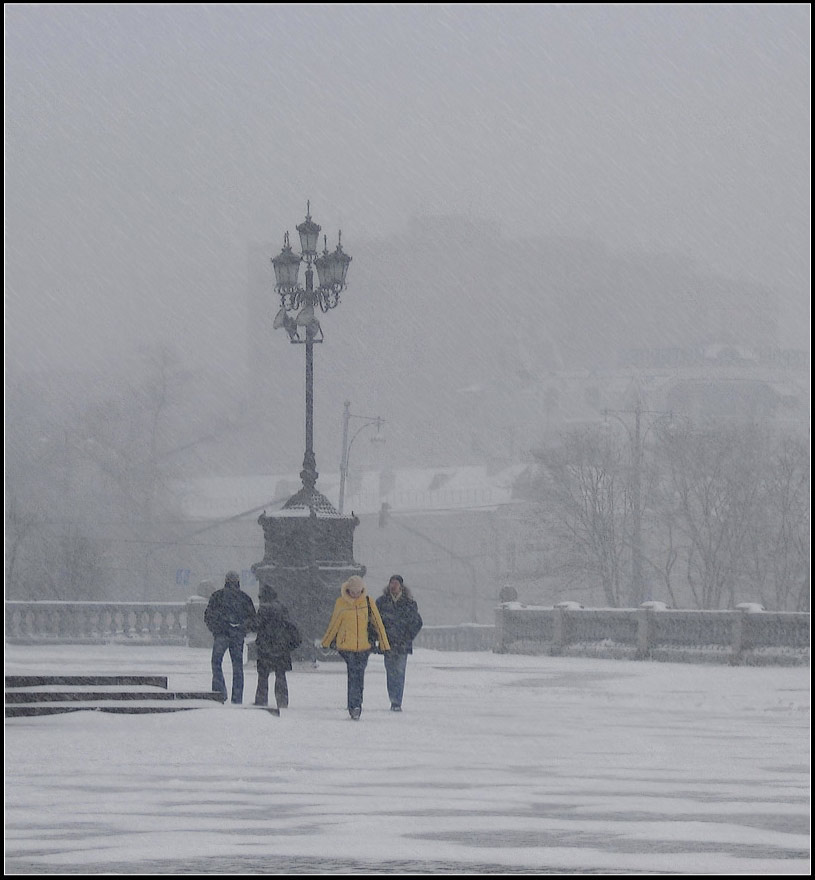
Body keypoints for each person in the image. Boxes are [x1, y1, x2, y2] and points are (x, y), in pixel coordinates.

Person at [320, 575, 390, 720]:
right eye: (353, 591)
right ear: (348, 589)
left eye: (358, 591)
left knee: (359, 675)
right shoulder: (341, 603)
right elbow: (334, 625)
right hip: (346, 647)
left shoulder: (368, 602)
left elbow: (378, 624)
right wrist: (326, 643)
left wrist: (384, 644)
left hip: (364, 646)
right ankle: (354, 706)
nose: (355, 594)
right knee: (354, 674)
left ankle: (357, 703)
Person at [204, 570, 257, 704]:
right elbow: (252, 619)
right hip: (237, 636)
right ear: (238, 582)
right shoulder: (245, 598)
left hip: (222, 634)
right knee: (237, 667)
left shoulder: (217, 596)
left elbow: (209, 616)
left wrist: (217, 628)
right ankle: (237, 698)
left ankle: (219, 692)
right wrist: (242, 629)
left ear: (226, 581)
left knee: (216, 662)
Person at [375, 575, 423, 712]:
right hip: (388, 643)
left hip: (402, 644)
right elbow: (375, 622)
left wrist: (408, 637)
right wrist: (379, 637)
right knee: (391, 672)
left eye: (396, 583)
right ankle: (393, 698)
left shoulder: (409, 603)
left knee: (400, 672)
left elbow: (417, 622)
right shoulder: (382, 603)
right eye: (391, 583)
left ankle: (397, 701)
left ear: (401, 586)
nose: (393, 586)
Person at [253, 585, 301, 710]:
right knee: (281, 676)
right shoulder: (282, 608)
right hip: (281, 647)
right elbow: (290, 625)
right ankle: (282, 701)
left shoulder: (264, 609)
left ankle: (261, 700)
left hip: (266, 647)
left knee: (263, 676)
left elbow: (256, 625)